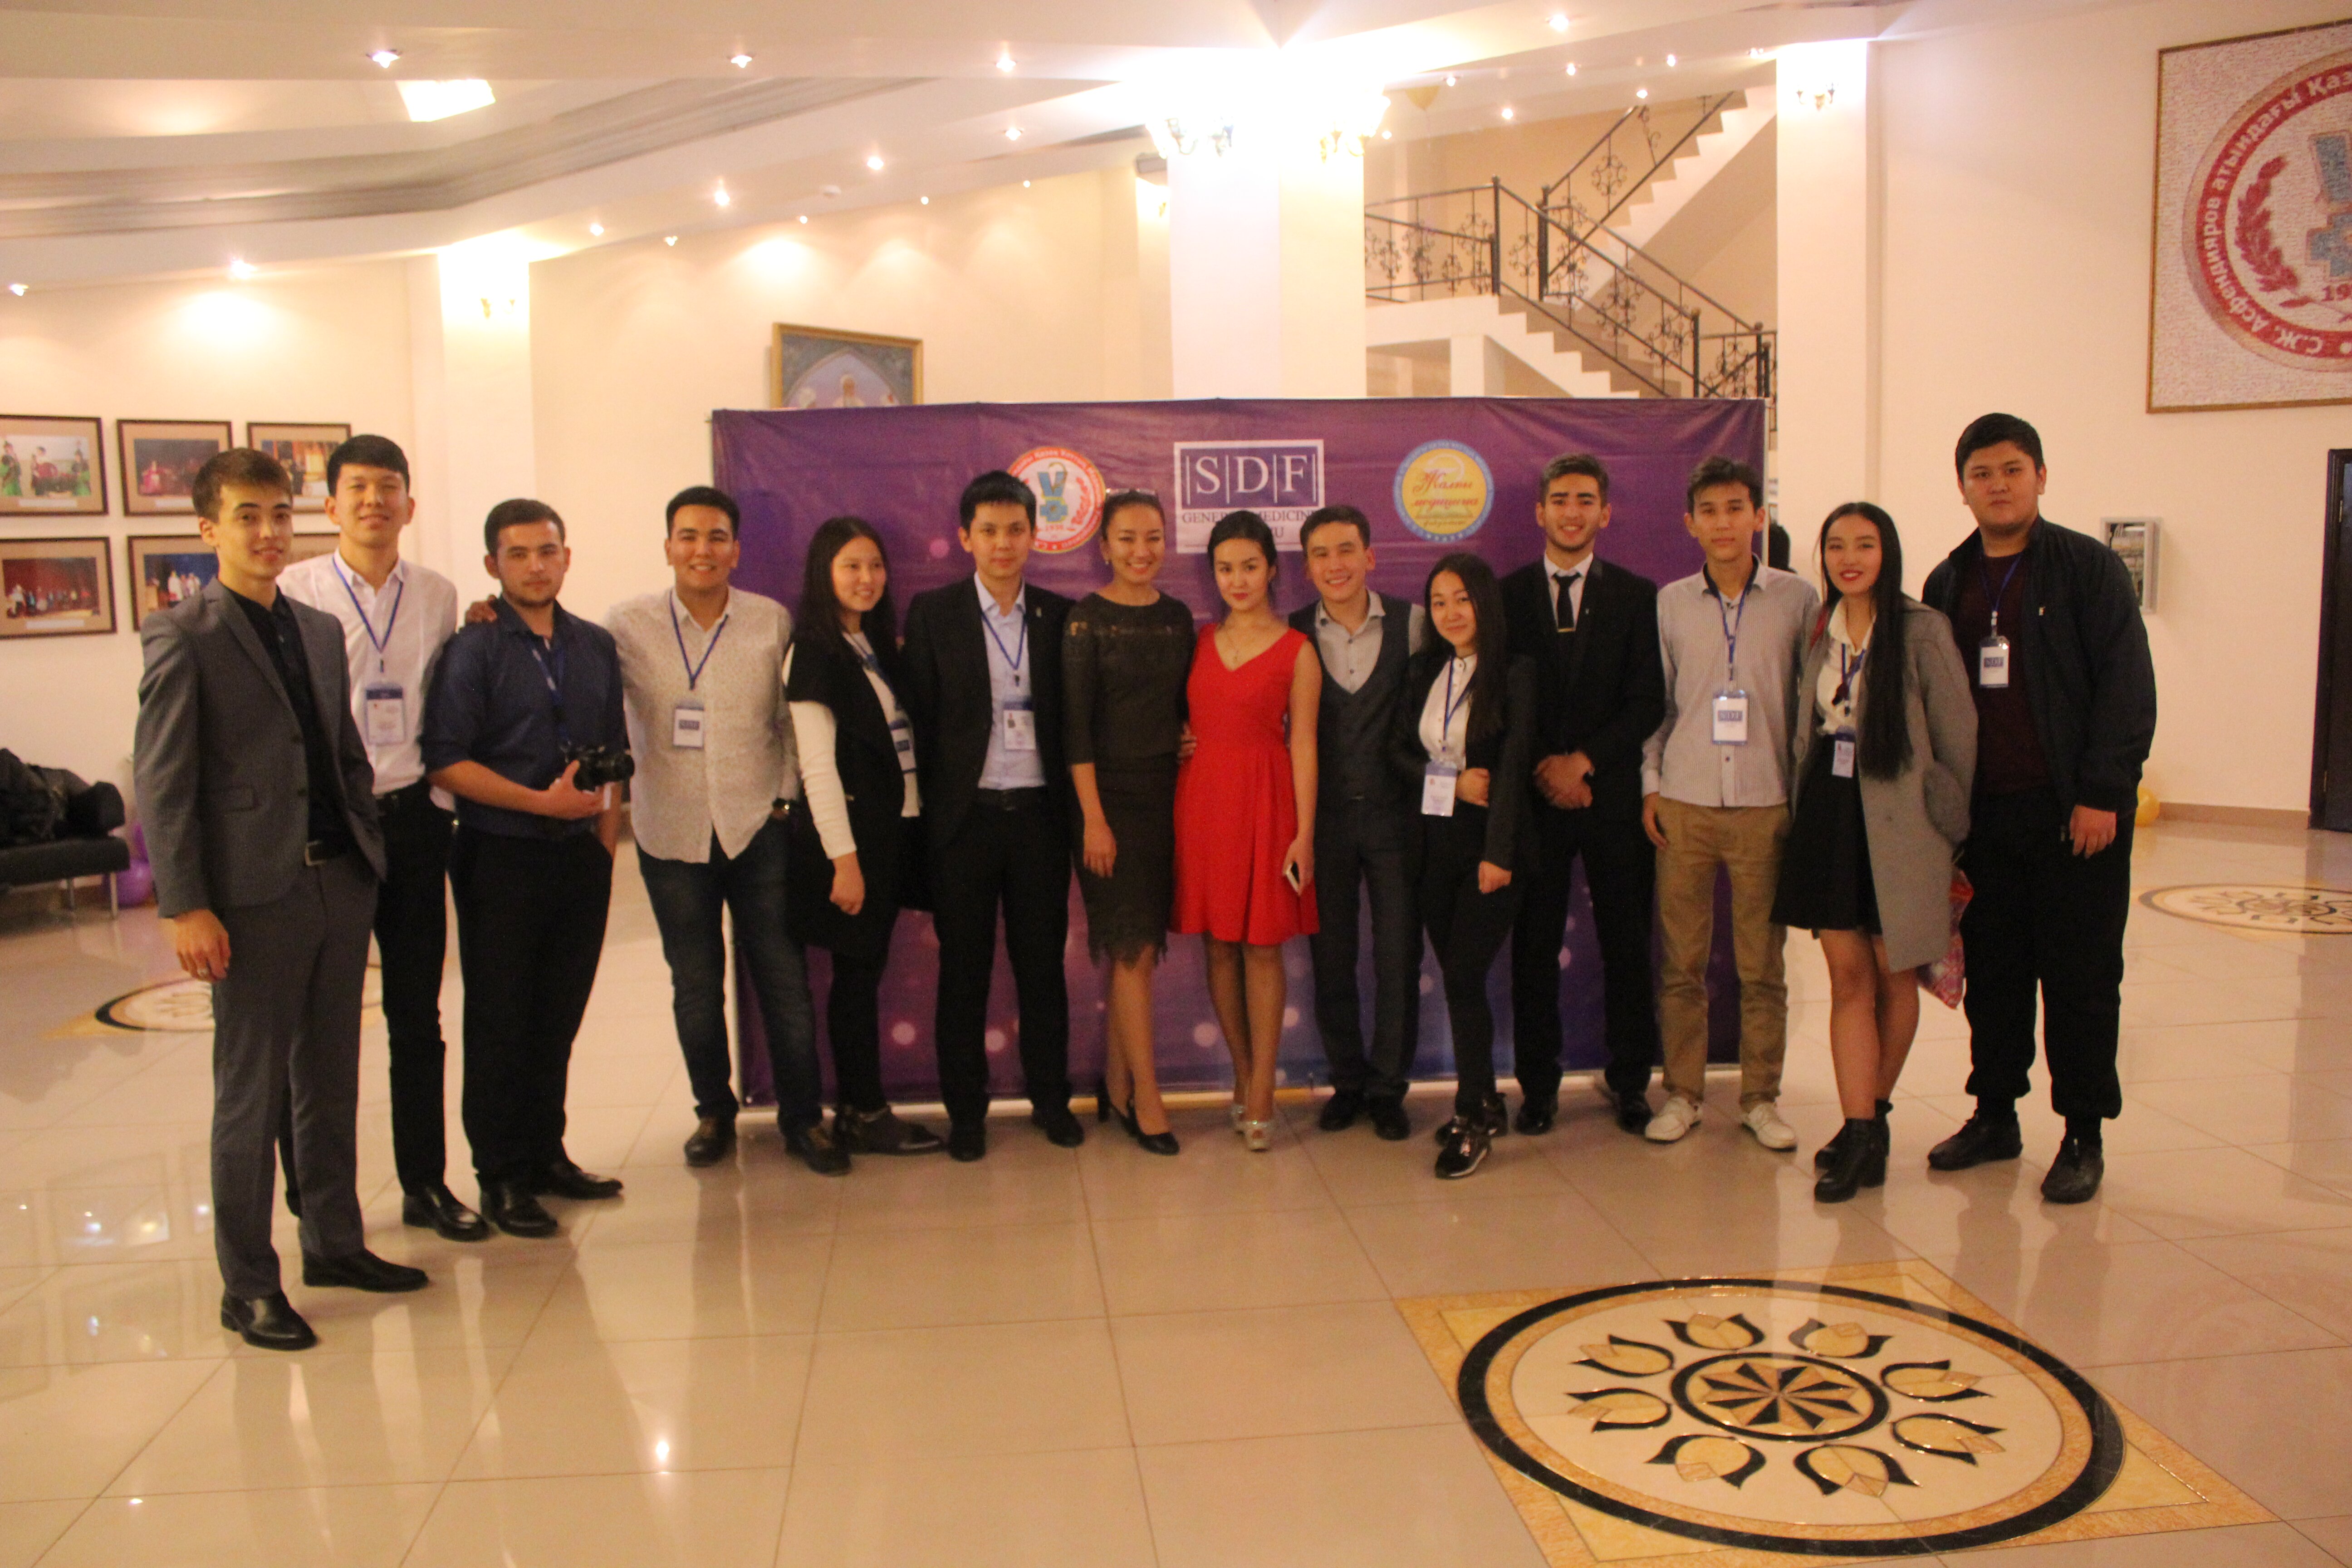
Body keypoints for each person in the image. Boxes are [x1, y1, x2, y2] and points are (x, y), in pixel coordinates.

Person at [135, 448, 421, 1352]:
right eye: (247, 517)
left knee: (329, 1081)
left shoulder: (316, 627)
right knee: (250, 1096)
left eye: (279, 515)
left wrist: (366, 849)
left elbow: (341, 753)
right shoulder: (184, 634)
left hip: (337, 881)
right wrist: (185, 905)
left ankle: (334, 1243)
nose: (268, 533)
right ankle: (250, 1284)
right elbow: (164, 782)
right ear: (208, 529)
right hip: (250, 897)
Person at [1920, 414, 2156, 1203]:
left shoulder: (2088, 570)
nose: (1998, 485)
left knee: (2082, 979)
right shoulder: (1949, 582)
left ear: (2042, 477)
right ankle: (1996, 1115)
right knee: (1995, 976)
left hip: (2074, 819)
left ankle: (2083, 1132)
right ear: (1962, 488)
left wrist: (2102, 794)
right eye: (1981, 474)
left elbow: (2126, 689)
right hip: (1985, 820)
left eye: (2012, 470)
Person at [277, 435, 483, 1241]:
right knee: (319, 1021)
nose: (374, 501)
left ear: (409, 503)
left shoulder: (437, 593)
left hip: (415, 818)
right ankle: (315, 1198)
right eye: (358, 488)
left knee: (417, 1014)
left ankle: (425, 1183)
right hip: (333, 824)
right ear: (331, 505)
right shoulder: (293, 590)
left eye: (388, 487)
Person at [607, 486, 842, 1176]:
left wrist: (785, 799)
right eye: (688, 536)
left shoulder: (770, 621)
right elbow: (567, 661)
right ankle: (713, 1113)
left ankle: (803, 1119)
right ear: (668, 547)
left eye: (716, 537)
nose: (702, 550)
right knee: (695, 985)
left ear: (736, 550)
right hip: (670, 834)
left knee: (783, 980)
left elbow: (790, 720)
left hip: (757, 828)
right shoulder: (626, 625)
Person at [423, 499, 631, 1238]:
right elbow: (446, 761)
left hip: (580, 856)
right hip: (500, 853)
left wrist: (603, 840)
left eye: (547, 552)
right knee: (501, 1020)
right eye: (518, 554)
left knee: (558, 1017)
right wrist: (540, 804)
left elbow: (614, 751)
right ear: (493, 565)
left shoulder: (595, 645)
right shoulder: (474, 649)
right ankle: (502, 1175)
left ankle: (547, 1155)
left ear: (566, 557)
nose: (536, 567)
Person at [1772, 503, 1977, 1202]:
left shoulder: (1921, 629)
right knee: (1848, 979)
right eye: (1836, 546)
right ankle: (1862, 1128)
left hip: (1903, 825)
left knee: (1895, 977)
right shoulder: (1818, 627)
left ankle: (1869, 1121)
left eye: (1864, 544)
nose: (1849, 558)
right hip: (1829, 817)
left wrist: (1945, 829)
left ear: (1887, 552)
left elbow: (1958, 737)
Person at [902, 471, 1083, 1161]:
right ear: (965, 537)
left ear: (1034, 536)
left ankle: (1051, 1101)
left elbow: (1077, 721)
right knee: (964, 974)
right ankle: (967, 1115)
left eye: (1015, 530)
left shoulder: (1061, 616)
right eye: (989, 531)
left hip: (1039, 819)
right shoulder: (934, 614)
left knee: (1043, 970)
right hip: (965, 823)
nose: (1003, 543)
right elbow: (920, 722)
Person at [1642, 456, 1818, 1149]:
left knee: (1761, 966)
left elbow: (1808, 706)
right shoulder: (1670, 602)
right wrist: (1651, 785)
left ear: (1759, 517)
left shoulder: (1798, 599)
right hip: (1685, 801)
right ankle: (1683, 1094)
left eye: (1735, 509)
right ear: (1690, 523)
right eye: (1709, 511)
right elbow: (1658, 705)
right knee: (1681, 964)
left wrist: (1802, 799)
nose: (1723, 523)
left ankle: (1760, 1098)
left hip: (1764, 803)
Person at [1500, 455, 1666, 1137]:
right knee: (1533, 949)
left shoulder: (1637, 595)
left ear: (1606, 512)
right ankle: (1538, 1089)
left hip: (1613, 798)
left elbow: (1648, 699)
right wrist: (1547, 767)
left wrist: (1584, 763)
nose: (1573, 512)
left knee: (1627, 944)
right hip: (1534, 799)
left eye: (1586, 500)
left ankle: (1631, 1082)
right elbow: (1498, 698)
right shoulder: (1506, 596)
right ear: (1540, 511)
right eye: (1562, 499)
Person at [781, 515, 944, 1156]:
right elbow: (817, 768)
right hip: (853, 846)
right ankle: (863, 1111)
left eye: (875, 566)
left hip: (893, 834)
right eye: (851, 566)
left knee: (867, 972)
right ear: (824, 573)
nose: (867, 578)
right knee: (855, 979)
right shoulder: (813, 652)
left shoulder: (873, 646)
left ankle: (862, 1106)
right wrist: (843, 863)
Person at [1172, 509, 1319, 1154]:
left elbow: (1305, 745)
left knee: (1262, 946)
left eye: (1250, 567)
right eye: (1225, 568)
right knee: (1219, 945)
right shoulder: (1198, 641)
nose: (1237, 580)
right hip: (1203, 802)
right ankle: (1241, 1068)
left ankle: (1263, 1085)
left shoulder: (1298, 650)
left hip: (1267, 803)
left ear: (1272, 570)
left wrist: (1304, 833)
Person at [1392, 554, 1537, 1180]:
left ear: (1484, 603)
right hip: (1432, 849)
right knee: (1460, 978)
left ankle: (1472, 1117)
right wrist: (1449, 783)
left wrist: (1498, 854)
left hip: (1490, 853)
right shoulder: (1423, 669)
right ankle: (1486, 1099)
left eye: (1462, 599)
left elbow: (1514, 767)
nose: (1450, 613)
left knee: (1463, 978)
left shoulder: (1516, 672)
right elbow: (1398, 753)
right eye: (1439, 601)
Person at [1065, 491, 1195, 1156]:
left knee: (1136, 953)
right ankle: (1149, 1100)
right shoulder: (1085, 621)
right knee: (1133, 949)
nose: (1141, 551)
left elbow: (1182, 705)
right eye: (1127, 539)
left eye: (1153, 538)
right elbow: (1075, 731)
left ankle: (1116, 1086)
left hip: (1168, 799)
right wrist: (1093, 820)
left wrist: (1188, 733)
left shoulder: (1177, 618)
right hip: (1106, 805)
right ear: (1104, 547)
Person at [1289, 505, 1424, 1140]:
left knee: (1398, 957)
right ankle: (1348, 1082)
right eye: (1321, 554)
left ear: (1369, 556)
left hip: (1399, 821)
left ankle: (1389, 1088)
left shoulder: (1416, 624)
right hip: (1323, 824)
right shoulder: (1291, 635)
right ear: (1307, 567)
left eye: (1346, 550)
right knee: (1332, 959)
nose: (1334, 564)